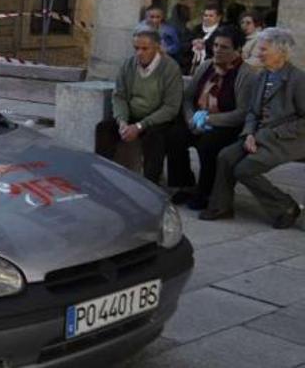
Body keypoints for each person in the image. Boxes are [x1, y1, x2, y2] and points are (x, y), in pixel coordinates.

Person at [199, 28, 304, 229]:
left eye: (264, 49)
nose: (258, 53)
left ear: (281, 52)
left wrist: (269, 134)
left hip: (287, 139)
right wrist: (248, 134)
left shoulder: (298, 79)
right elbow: (252, 112)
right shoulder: (262, 76)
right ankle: (221, 206)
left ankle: (285, 206)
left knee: (244, 169)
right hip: (258, 136)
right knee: (226, 156)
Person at [166, 26, 256, 210]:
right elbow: (188, 97)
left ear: (237, 50)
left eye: (224, 47)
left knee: (208, 145)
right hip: (198, 118)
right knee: (175, 135)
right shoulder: (206, 66)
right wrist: (192, 118)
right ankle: (185, 184)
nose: (217, 50)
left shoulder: (246, 74)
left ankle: (205, 191)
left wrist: (208, 120)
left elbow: (242, 112)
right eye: (215, 45)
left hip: (226, 123)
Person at [96, 25, 183, 183]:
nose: (139, 53)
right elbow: (119, 96)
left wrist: (140, 126)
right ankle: (103, 178)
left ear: (156, 47)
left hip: (157, 118)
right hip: (132, 115)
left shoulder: (170, 67)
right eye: (136, 48)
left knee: (154, 138)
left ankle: (150, 184)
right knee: (104, 129)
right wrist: (122, 121)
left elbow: (171, 107)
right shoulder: (128, 64)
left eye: (145, 48)